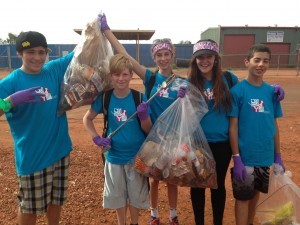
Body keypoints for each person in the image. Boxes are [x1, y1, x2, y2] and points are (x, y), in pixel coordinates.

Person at [186, 39, 285, 225]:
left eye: (209, 56)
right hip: (197, 143)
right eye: (200, 57)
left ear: (216, 58)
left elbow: (252, 88)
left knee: (217, 185)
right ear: (195, 60)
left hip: (222, 143)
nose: (204, 61)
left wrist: (274, 88)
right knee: (197, 186)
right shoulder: (189, 81)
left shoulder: (228, 79)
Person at [98, 13, 184, 225]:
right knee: (153, 178)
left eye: (167, 54)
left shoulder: (183, 82)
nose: (163, 58)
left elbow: (196, 105)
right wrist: (107, 31)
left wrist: (188, 96)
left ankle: (173, 215)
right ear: (154, 58)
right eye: (159, 55)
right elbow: (124, 55)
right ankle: (154, 215)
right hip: (153, 136)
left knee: (172, 179)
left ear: (172, 55)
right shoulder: (150, 77)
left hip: (173, 137)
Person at [0, 31, 75, 225]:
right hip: (33, 157)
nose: (37, 57)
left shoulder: (54, 70)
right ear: (19, 53)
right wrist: (9, 102)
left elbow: (80, 52)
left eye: (42, 52)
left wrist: (93, 30)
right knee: (29, 207)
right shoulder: (10, 83)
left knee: (56, 200)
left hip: (60, 150)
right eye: (31, 52)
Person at [83, 53, 152, 225]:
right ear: (110, 76)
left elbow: (148, 129)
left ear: (131, 75)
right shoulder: (105, 98)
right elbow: (87, 118)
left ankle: (134, 222)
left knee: (135, 195)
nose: (120, 78)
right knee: (117, 196)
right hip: (113, 157)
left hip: (136, 158)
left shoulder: (139, 98)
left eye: (124, 74)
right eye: (116, 74)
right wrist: (96, 138)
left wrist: (144, 116)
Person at [229, 44, 285, 225]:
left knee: (255, 197)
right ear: (247, 62)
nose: (261, 64)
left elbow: (274, 125)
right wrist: (236, 157)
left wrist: (277, 155)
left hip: (265, 155)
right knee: (243, 198)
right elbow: (233, 126)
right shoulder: (237, 91)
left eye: (266, 61)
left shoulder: (272, 92)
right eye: (257, 60)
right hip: (246, 157)